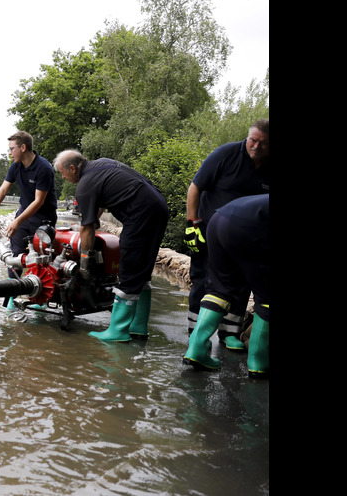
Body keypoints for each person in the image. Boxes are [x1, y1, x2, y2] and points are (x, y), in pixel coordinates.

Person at [54, 150, 169, 341]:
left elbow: (88, 228)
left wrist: (84, 264)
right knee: (141, 271)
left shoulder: (84, 185)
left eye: (63, 173)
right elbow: (96, 210)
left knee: (129, 269)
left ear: (72, 168)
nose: (64, 177)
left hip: (140, 214)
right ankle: (138, 326)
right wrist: (87, 222)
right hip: (157, 207)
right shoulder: (101, 165)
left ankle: (118, 332)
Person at [185, 120, 270, 351]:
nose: (256, 146)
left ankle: (228, 333)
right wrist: (191, 225)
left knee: (242, 282)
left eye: (263, 143)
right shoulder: (226, 154)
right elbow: (195, 188)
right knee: (203, 279)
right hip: (209, 231)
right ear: (247, 136)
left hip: (247, 238)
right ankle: (195, 332)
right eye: (253, 140)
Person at [183, 194, 269, 377]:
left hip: (219, 220)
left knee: (219, 289)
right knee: (267, 296)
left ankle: (196, 350)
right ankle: (259, 363)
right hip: (252, 226)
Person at [0, 131, 58, 257]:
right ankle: (13, 277)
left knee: (41, 256)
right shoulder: (15, 166)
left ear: (23, 148)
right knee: (14, 255)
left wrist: (16, 221)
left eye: (11, 149)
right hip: (24, 212)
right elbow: (3, 190)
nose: (9, 153)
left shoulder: (43, 168)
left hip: (43, 217)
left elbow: (39, 201)